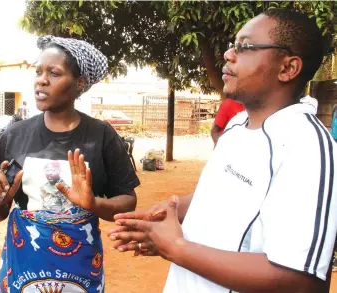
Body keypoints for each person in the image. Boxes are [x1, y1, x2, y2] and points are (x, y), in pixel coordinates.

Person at [108, 9, 337, 293]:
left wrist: (177, 249)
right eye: (234, 44)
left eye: (245, 47)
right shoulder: (237, 125)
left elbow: (298, 280)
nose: (229, 54)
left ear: (287, 68)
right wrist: (172, 210)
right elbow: (221, 194)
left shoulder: (306, 147)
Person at [0, 35, 140, 293]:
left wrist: (94, 204)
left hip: (80, 269)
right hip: (24, 268)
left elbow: (128, 201)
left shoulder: (101, 136)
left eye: (54, 73)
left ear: (80, 83)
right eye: (39, 72)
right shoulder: (16, 135)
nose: (41, 80)